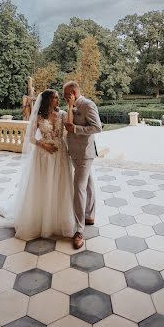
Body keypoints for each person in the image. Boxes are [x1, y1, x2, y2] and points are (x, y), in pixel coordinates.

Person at [0, 89, 75, 240]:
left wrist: (71, 106)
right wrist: (43, 145)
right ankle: (41, 220)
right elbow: (30, 138)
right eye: (54, 97)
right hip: (43, 155)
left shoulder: (62, 114)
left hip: (60, 154)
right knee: (43, 184)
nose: (57, 100)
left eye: (57, 97)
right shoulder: (39, 117)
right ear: (47, 100)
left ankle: (58, 220)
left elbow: (69, 125)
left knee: (60, 184)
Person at [63, 81, 102, 249]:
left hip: (85, 153)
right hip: (74, 152)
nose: (64, 97)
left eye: (65, 94)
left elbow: (97, 127)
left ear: (73, 92)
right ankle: (89, 215)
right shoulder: (70, 106)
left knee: (78, 187)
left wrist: (76, 129)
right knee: (88, 183)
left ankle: (79, 230)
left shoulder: (87, 105)